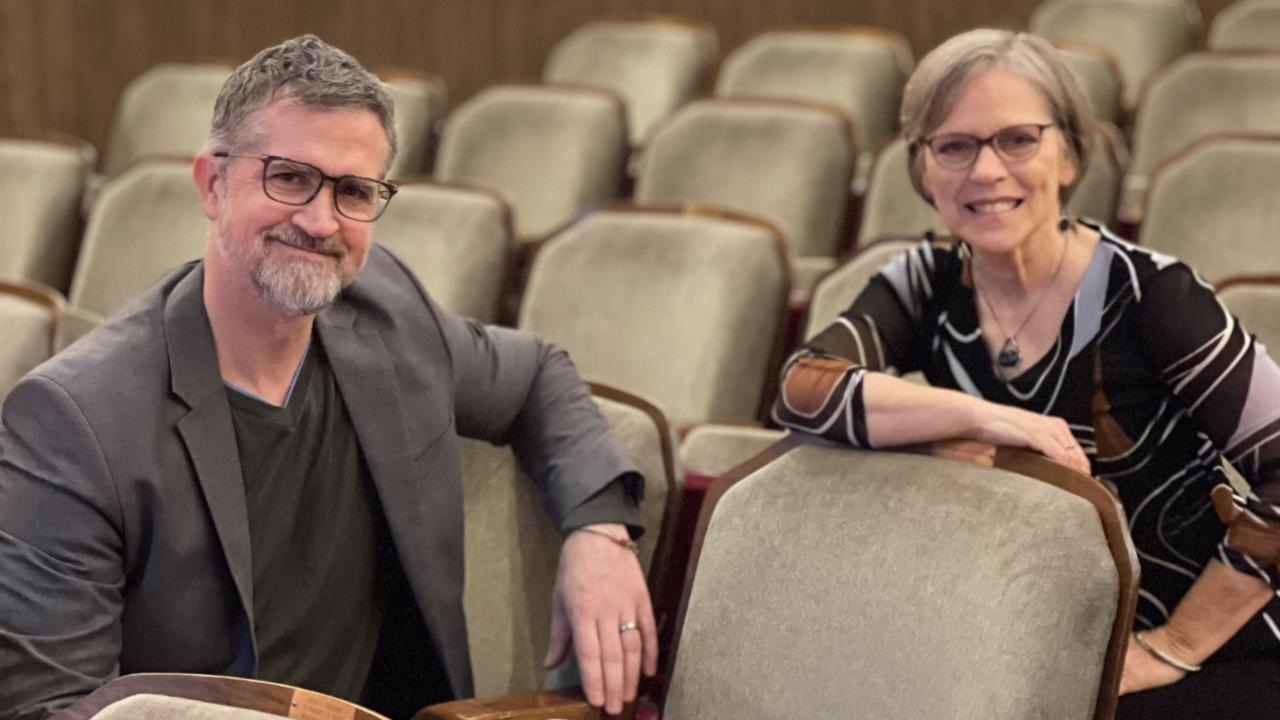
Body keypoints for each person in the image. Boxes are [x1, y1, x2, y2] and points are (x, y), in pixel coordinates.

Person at [0, 36, 655, 720]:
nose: (319, 221)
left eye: (352, 191)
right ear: (212, 184)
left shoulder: (388, 314)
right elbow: (48, 708)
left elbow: (536, 376)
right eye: (288, 177)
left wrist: (600, 530)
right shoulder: (76, 417)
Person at [773, 29, 1280, 717]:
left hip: (1203, 659)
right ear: (922, 171)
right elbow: (805, 390)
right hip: (1026, 649)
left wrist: (1173, 645)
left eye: (1018, 139)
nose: (985, 172)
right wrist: (990, 417)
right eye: (953, 145)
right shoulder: (922, 284)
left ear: (1069, 154)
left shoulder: (1153, 295)